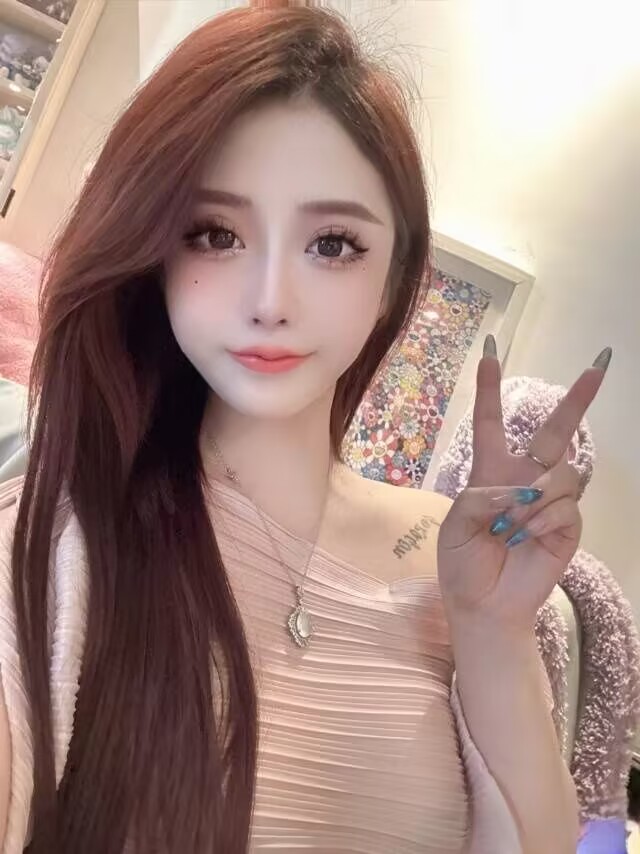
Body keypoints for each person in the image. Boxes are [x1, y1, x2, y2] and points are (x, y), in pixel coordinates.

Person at [0, 4, 609, 852]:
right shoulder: (53, 543)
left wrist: (494, 632)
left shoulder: (457, 561)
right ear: (153, 253)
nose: (269, 301)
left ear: (395, 280)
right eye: (215, 234)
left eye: (331, 244)